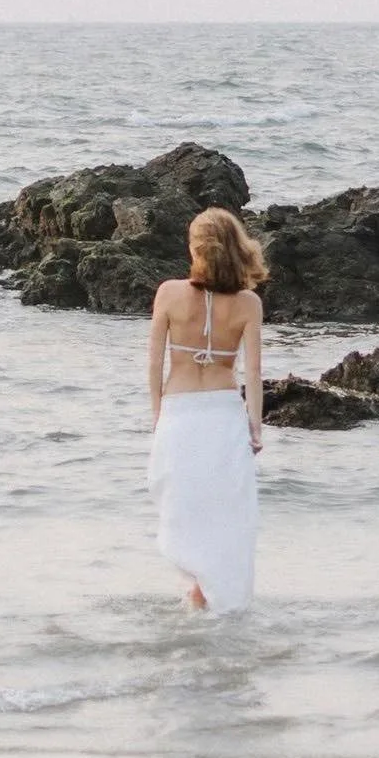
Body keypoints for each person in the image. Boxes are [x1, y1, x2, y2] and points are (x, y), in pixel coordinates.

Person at [146, 206, 266, 613]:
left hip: (179, 414)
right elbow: (252, 373)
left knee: (183, 507)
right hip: (222, 413)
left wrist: (157, 417)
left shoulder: (168, 293)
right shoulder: (249, 303)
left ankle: (197, 593)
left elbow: (154, 364)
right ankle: (210, 598)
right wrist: (255, 428)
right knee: (225, 513)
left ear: (197, 249)